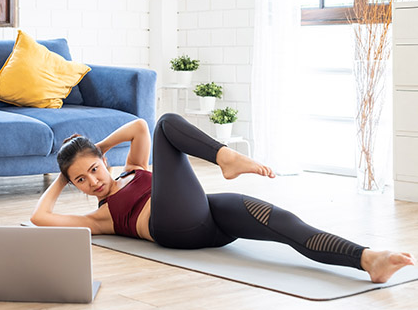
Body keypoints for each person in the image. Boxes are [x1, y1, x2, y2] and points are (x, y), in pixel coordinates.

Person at [31, 113, 415, 283]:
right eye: (81, 181)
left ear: (104, 161)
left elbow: (138, 127)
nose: (92, 182)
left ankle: (367, 259)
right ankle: (225, 158)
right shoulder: (100, 217)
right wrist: (64, 178)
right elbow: (39, 217)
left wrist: (93, 147)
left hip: (207, 215)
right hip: (173, 228)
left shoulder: (132, 167)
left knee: (284, 223)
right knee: (167, 124)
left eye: (94, 170)